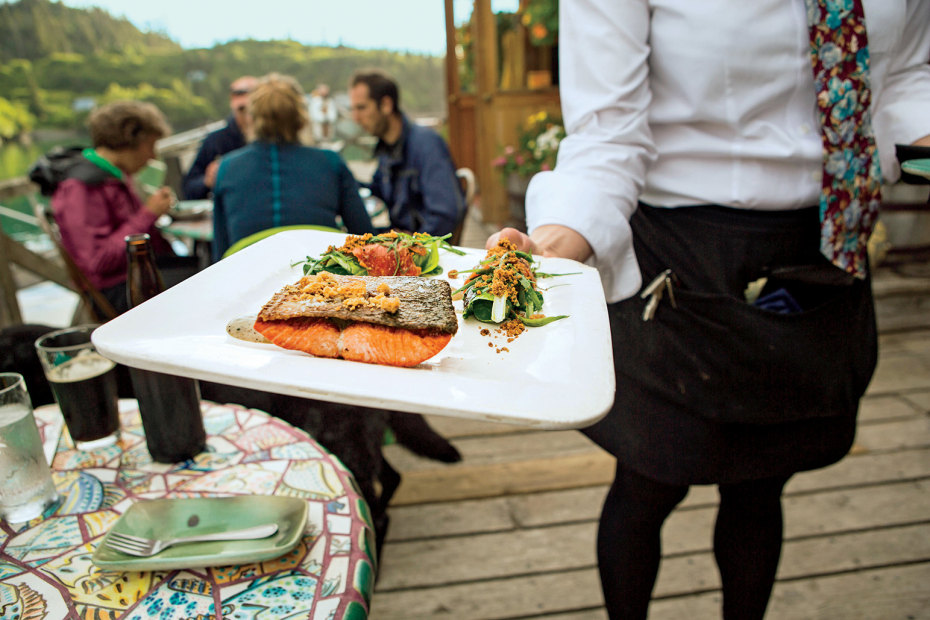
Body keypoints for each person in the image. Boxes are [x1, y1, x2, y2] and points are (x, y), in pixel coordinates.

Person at [488, 1, 930, 618]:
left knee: (760, 482)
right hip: (682, 258)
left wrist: (926, 164)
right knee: (650, 477)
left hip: (819, 248)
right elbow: (607, 136)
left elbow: (904, 82)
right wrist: (559, 243)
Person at [51, 100, 199, 316]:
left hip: (138, 274)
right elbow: (98, 261)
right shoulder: (80, 187)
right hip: (116, 290)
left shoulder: (112, 174)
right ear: (131, 139)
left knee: (211, 266)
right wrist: (148, 214)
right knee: (210, 283)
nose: (153, 156)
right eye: (150, 146)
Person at [211, 73, 375, 261]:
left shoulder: (227, 167)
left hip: (249, 279)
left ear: (252, 117)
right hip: (318, 280)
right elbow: (365, 240)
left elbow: (220, 252)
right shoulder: (331, 162)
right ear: (301, 117)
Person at [349, 69, 464, 236]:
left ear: (386, 105)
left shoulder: (426, 144)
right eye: (353, 109)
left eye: (361, 108)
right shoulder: (387, 148)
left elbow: (446, 213)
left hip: (421, 248)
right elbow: (377, 189)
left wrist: (411, 246)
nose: (356, 118)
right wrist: (343, 180)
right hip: (398, 237)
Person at [181, 75, 258, 200]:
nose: (248, 117)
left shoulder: (274, 138)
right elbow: (188, 188)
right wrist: (207, 181)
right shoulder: (215, 140)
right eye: (242, 109)